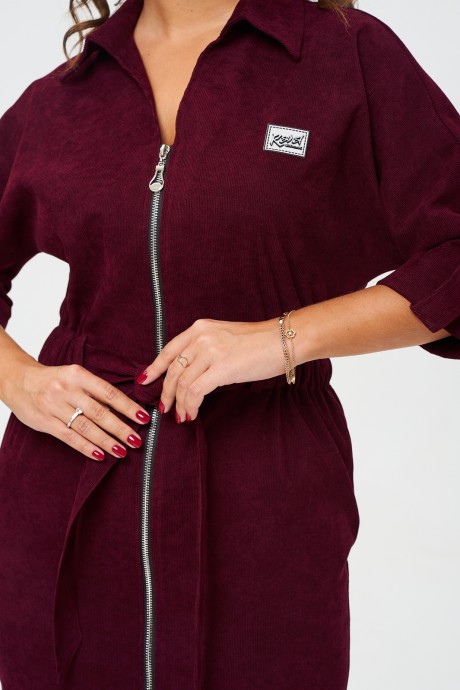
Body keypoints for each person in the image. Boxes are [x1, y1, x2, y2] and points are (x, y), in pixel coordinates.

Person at [0, 0, 458, 688]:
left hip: (267, 498)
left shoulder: (342, 54)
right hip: (68, 491)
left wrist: (283, 338)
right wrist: (19, 381)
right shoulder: (66, 94)